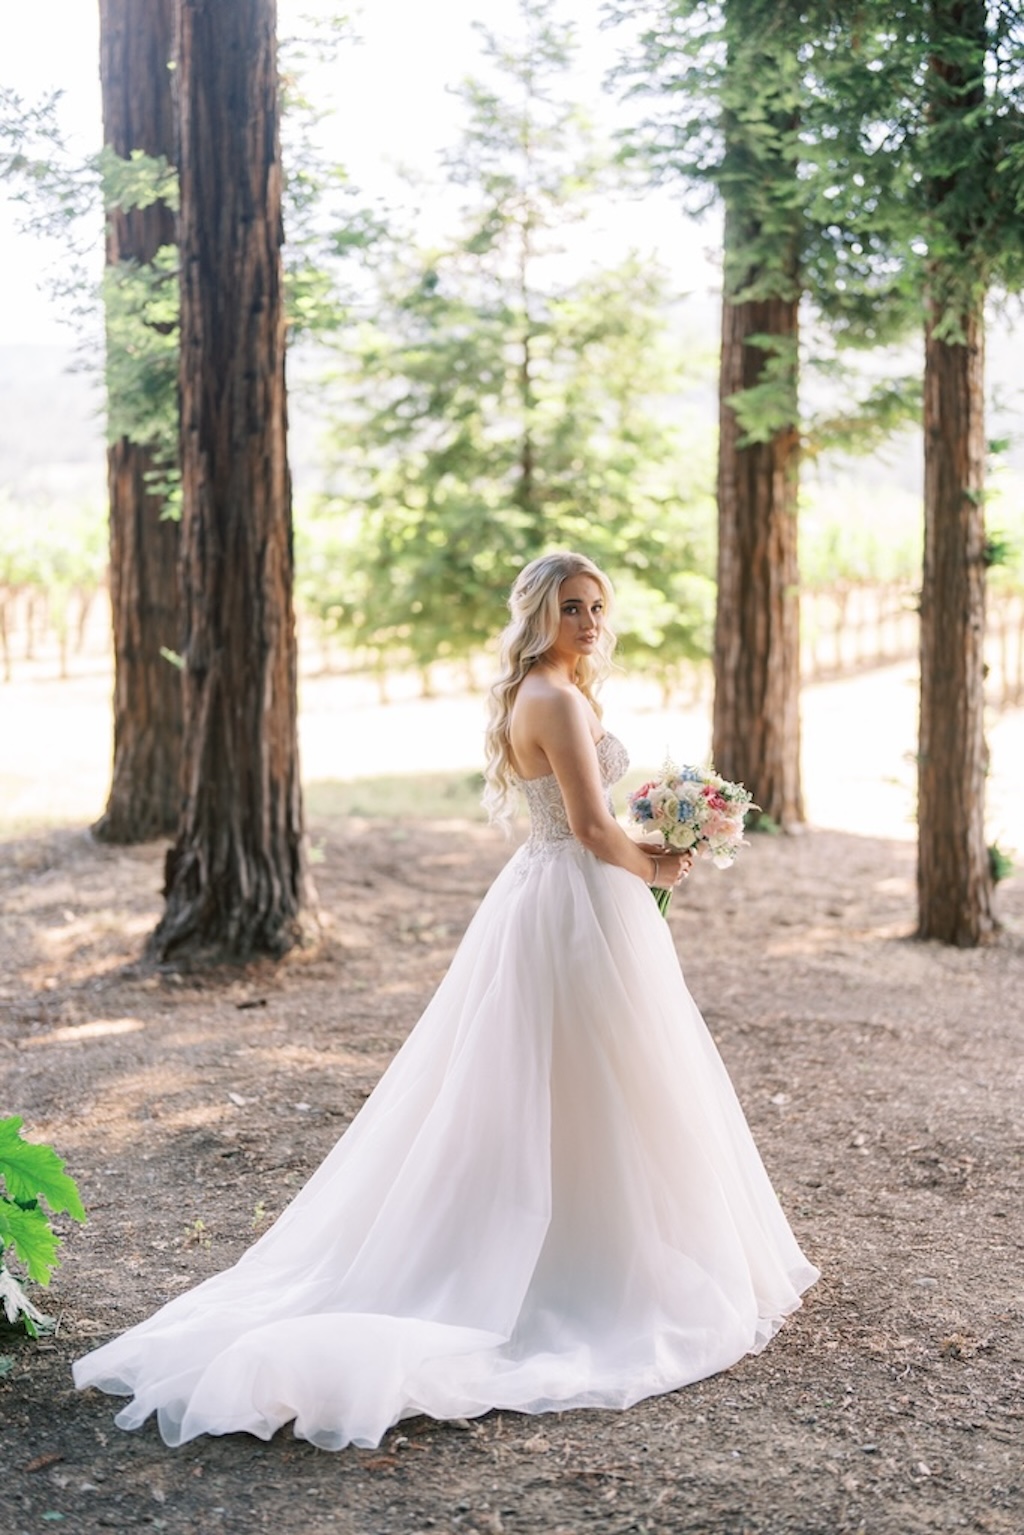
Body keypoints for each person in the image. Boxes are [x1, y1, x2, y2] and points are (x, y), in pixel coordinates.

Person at [73, 550, 818, 1451]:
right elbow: (588, 825)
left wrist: (652, 841)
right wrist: (658, 860)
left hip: (559, 893)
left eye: (595, 608)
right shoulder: (554, 697)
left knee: (588, 1077)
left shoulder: (541, 692)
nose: (587, 623)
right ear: (539, 614)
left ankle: (594, 1233)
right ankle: (585, 1264)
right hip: (573, 896)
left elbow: (584, 819)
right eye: (571, 608)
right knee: (591, 1071)